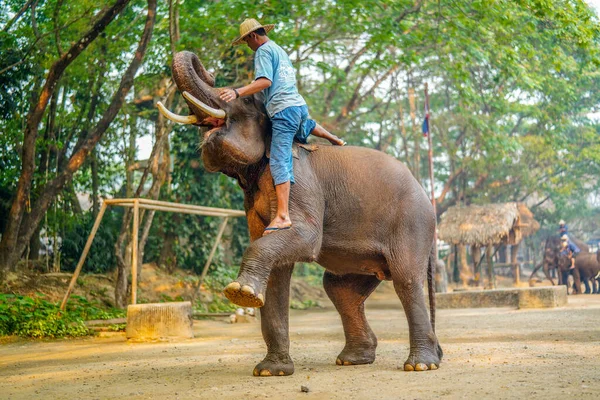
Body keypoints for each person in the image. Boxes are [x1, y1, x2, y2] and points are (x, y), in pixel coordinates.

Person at [218, 18, 345, 235]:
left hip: (283, 109)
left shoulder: (263, 52)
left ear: (252, 36)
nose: (248, 46)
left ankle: (283, 215)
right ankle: (334, 139)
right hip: (298, 105)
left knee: (279, 158)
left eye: (247, 42)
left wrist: (237, 92)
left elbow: (265, 81)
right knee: (305, 125)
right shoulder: (279, 50)